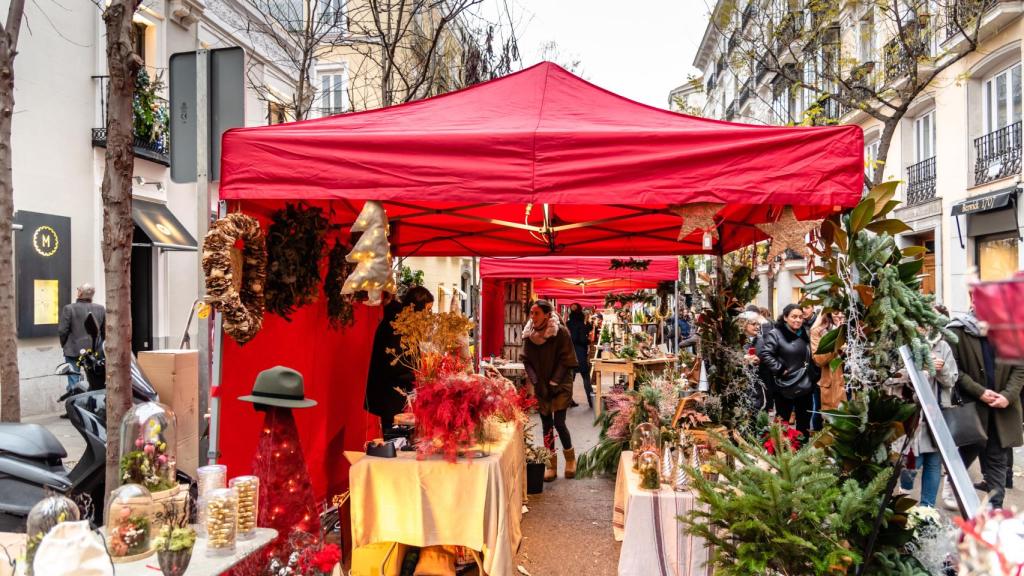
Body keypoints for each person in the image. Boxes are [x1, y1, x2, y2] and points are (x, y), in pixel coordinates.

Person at [948, 308, 1024, 509]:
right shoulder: (957, 330)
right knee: (969, 448)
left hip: (1002, 407)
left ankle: (995, 507)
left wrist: (1007, 396)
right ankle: (952, 481)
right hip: (972, 406)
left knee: (997, 457)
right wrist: (979, 391)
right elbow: (954, 368)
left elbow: (1020, 366)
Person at [521, 300, 579, 481]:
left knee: (559, 423)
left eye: (536, 313)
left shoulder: (560, 332)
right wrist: (537, 382)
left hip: (560, 383)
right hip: (542, 384)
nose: (533, 317)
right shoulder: (529, 334)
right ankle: (551, 464)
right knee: (546, 425)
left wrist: (554, 382)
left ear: (547, 314)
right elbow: (527, 361)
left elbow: (567, 359)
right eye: (531, 313)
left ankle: (570, 460)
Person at [899, 330, 958, 507]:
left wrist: (941, 369)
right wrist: (922, 368)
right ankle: (904, 494)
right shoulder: (906, 344)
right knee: (912, 462)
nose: (924, 327)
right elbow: (896, 377)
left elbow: (952, 380)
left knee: (934, 462)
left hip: (938, 414)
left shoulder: (943, 347)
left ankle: (927, 510)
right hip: (914, 414)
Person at [365, 286, 434, 431]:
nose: (428, 316)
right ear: (417, 308)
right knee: (396, 439)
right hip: (391, 397)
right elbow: (392, 365)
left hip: (397, 395)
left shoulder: (404, 324)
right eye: (427, 311)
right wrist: (418, 373)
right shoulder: (395, 327)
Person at [759, 304, 814, 436]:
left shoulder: (805, 332)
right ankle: (781, 452)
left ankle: (803, 451)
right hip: (785, 385)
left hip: (805, 384)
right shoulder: (776, 334)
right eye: (794, 317)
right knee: (782, 422)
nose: (798, 320)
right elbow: (765, 354)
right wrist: (780, 369)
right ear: (785, 317)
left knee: (804, 423)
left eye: (801, 317)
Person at [57, 283, 105, 395]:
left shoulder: (69, 308)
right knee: (95, 382)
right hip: (94, 352)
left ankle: (75, 406)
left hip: (73, 350)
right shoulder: (100, 309)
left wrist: (64, 344)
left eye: (78, 289)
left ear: (80, 293)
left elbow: (62, 331)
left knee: (74, 382)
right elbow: (104, 332)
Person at [810, 311, 847, 412]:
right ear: (829, 313)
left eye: (842, 312)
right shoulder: (818, 331)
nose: (839, 315)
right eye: (835, 312)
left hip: (851, 381)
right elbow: (819, 360)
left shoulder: (852, 328)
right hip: (831, 382)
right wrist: (837, 342)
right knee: (827, 418)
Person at [738, 312, 772, 412]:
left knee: (756, 405)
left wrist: (760, 360)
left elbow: (767, 357)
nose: (757, 327)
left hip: (756, 383)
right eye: (753, 324)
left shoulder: (762, 340)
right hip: (740, 383)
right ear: (744, 324)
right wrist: (743, 359)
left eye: (758, 324)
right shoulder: (737, 340)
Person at [566, 303, 594, 409]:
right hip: (580, 355)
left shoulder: (567, 324)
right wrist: (587, 341)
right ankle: (591, 402)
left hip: (570, 355)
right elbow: (582, 339)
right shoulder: (582, 325)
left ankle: (568, 401)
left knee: (569, 380)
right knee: (586, 378)